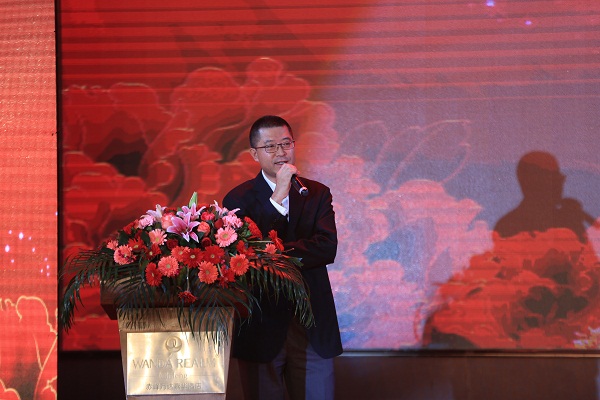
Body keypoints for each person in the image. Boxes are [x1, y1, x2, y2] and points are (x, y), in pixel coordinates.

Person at [223, 115, 342, 400]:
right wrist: (277, 197)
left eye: (286, 144)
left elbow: (326, 247)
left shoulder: (316, 193)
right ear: (254, 154)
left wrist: (271, 253)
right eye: (270, 146)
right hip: (261, 325)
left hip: (311, 326)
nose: (280, 152)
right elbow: (246, 256)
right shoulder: (237, 200)